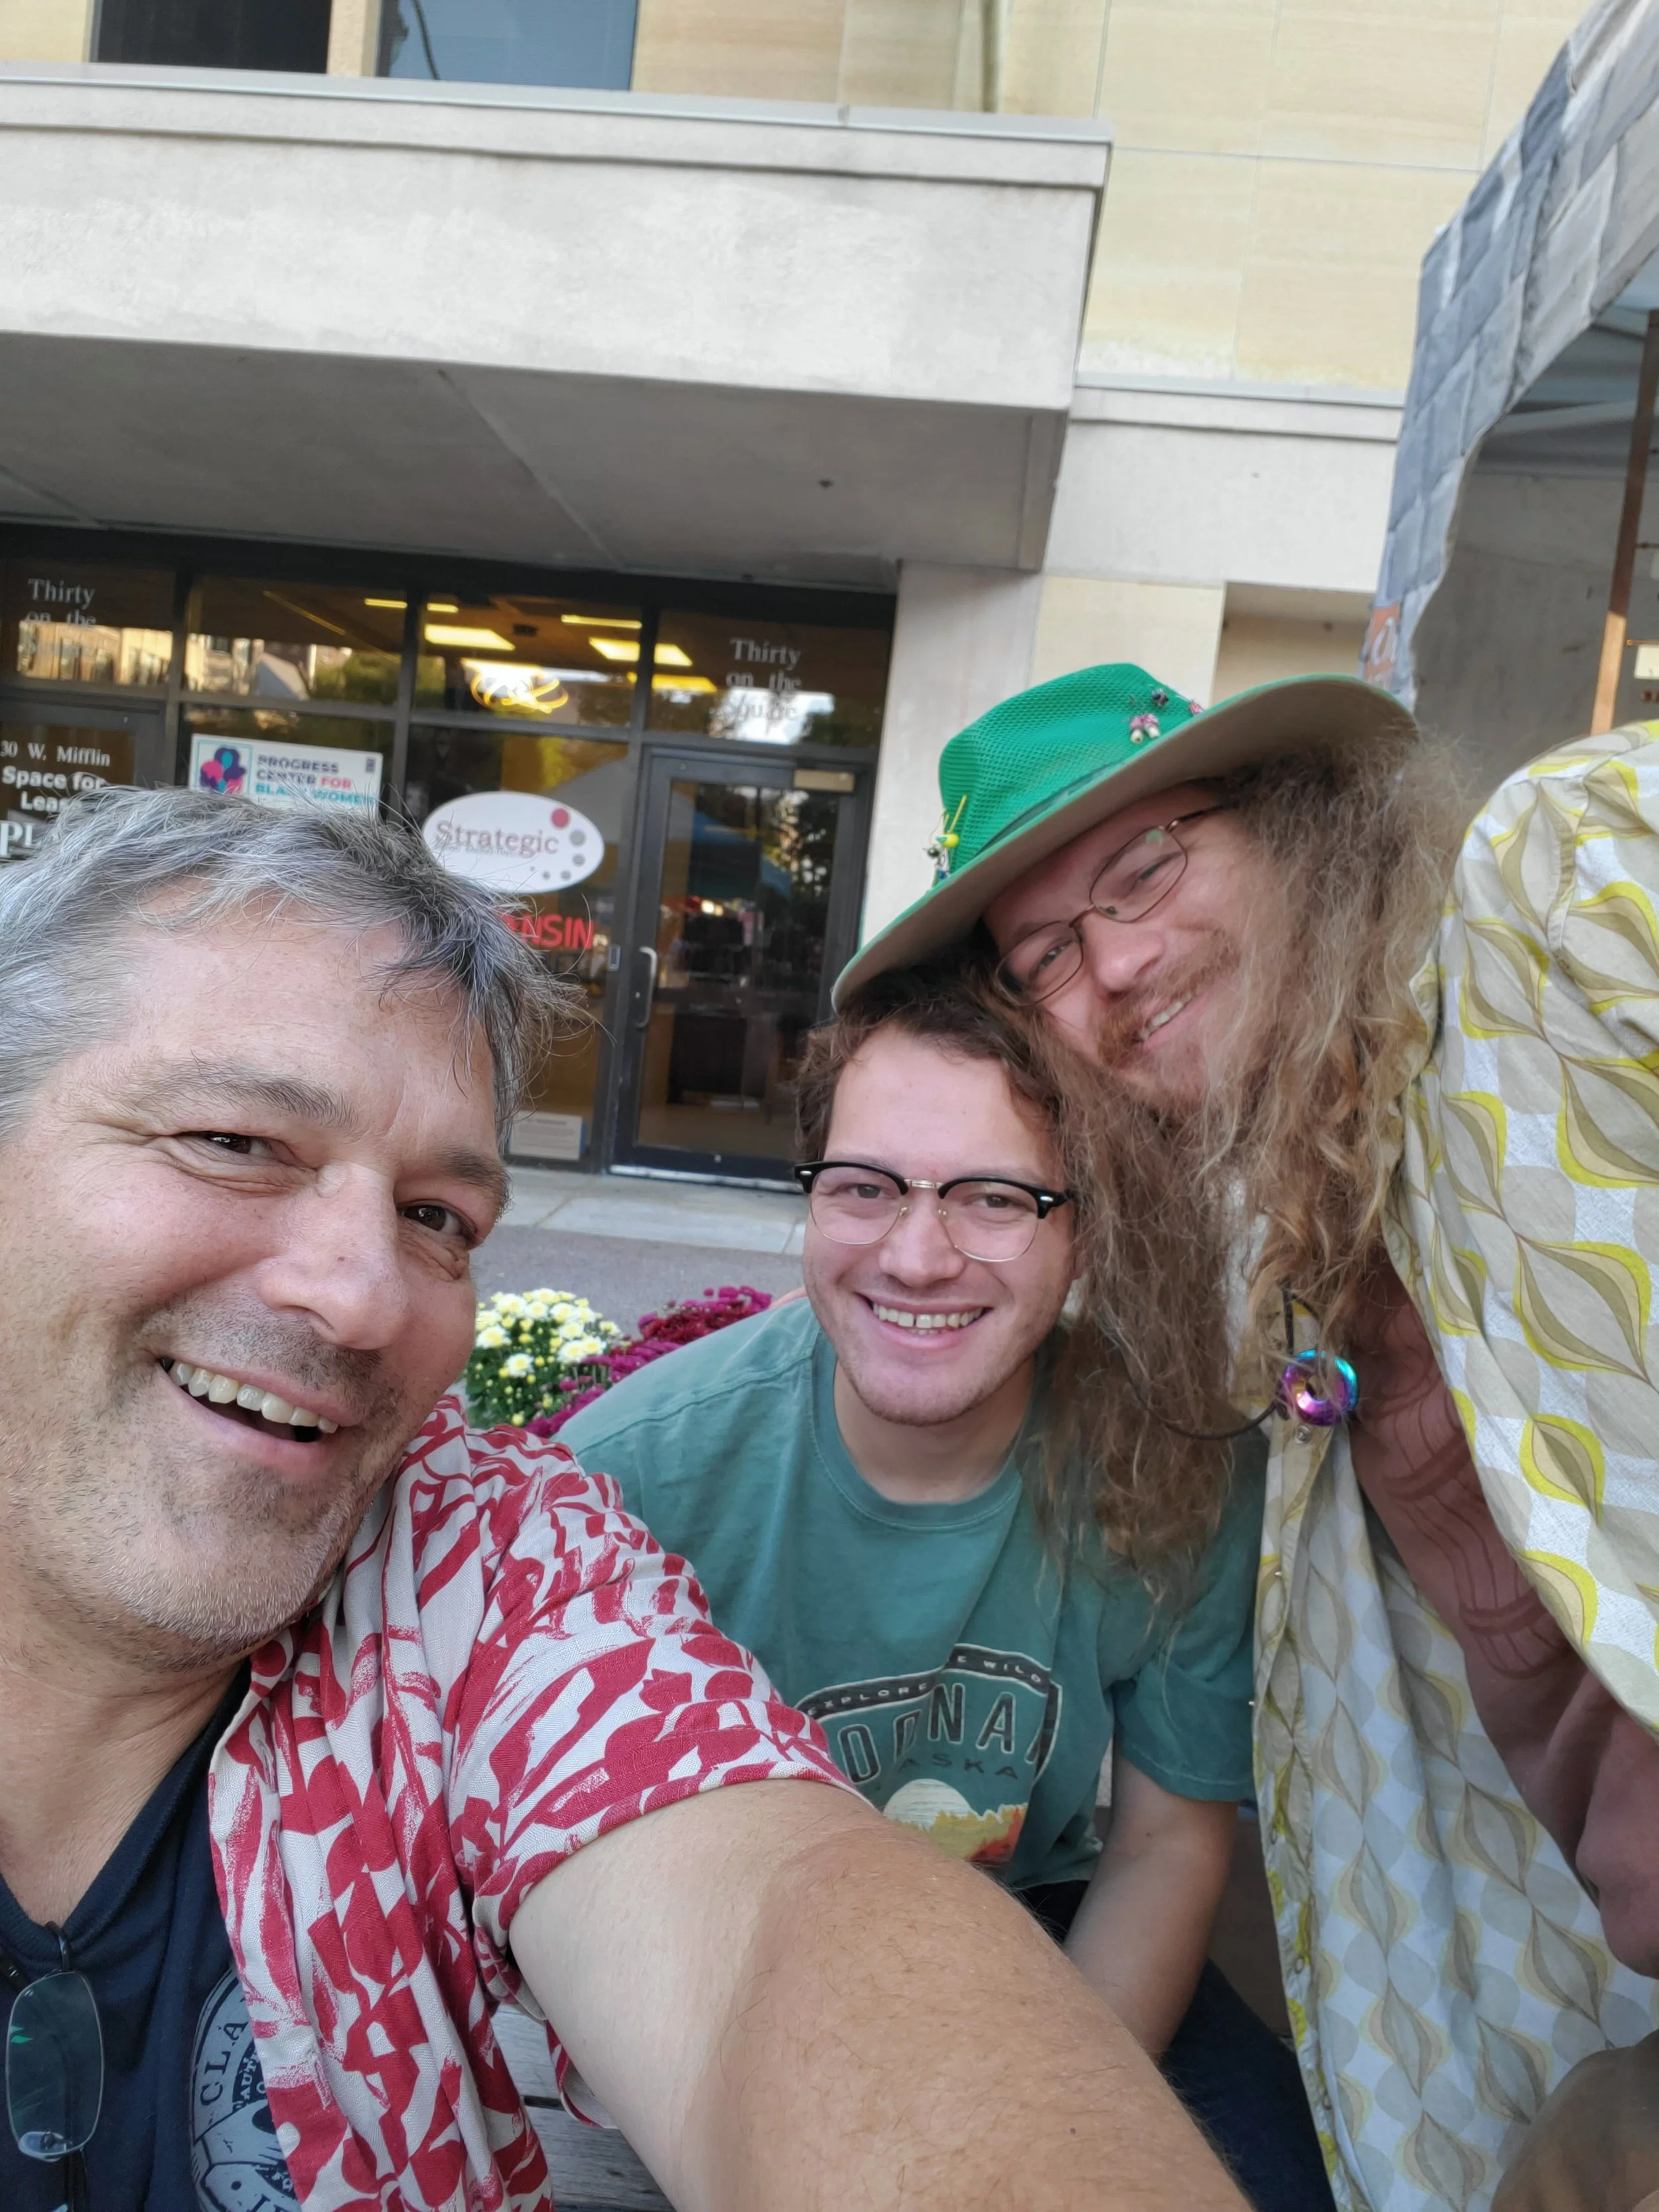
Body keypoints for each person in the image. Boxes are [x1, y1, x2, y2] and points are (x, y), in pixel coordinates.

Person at [0, 788, 1246, 2212]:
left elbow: (757, 1932)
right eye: (234, 1140)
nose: (355, 1294)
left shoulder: (487, 1569)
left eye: (436, 1220)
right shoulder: (655, 1455)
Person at [834, 662, 1659, 2212]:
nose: (1118, 964)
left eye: (1145, 867)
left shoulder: (1562, 880)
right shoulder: (1264, 1273)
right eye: (1043, 957)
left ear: (1295, 831)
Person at [561, 964, 1333, 2212]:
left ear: (1085, 1226)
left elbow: (1161, 1845)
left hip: (1042, 1926)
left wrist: (1039, 2117)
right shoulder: (630, 1479)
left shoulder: (1176, 1469)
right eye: (865, 1188)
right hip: (725, 1962)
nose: (917, 1257)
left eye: (995, 1197)